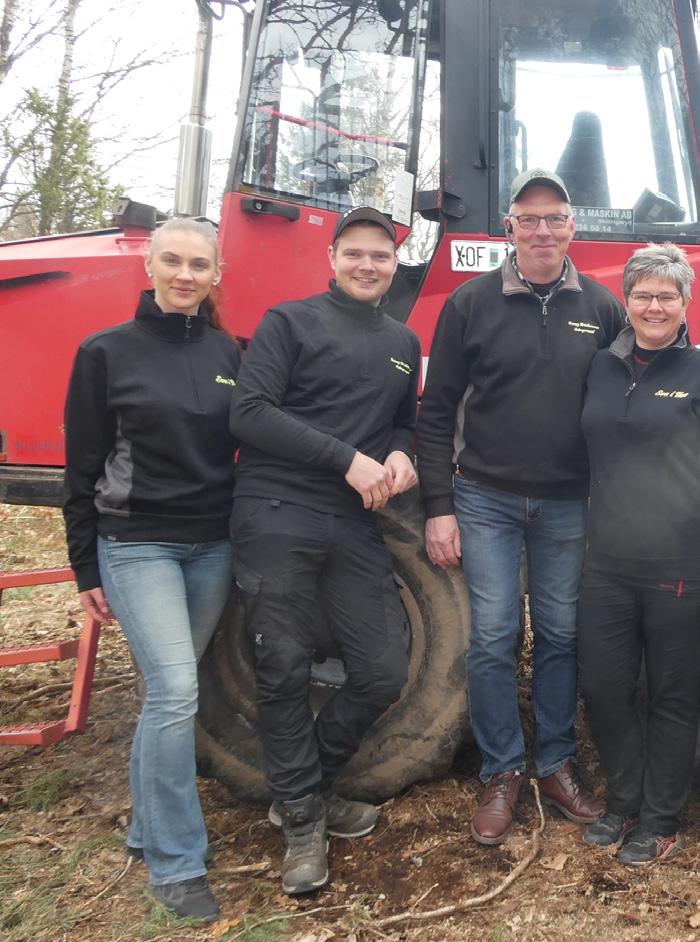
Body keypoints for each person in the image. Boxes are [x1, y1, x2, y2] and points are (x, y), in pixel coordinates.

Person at [417, 169, 625, 845]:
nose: (542, 230)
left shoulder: (603, 307)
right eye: (528, 219)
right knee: (494, 636)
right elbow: (436, 410)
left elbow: (626, 405)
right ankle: (502, 769)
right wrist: (439, 506)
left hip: (568, 504)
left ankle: (556, 763)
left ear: (572, 227)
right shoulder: (469, 303)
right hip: (485, 499)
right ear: (508, 227)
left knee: (562, 635)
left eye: (555, 217)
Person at [228, 206, 420, 895]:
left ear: (394, 264)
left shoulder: (403, 341)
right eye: (355, 253)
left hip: (352, 519)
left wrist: (400, 452)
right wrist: (347, 459)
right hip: (277, 509)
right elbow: (249, 412)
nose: (368, 265)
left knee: (382, 668)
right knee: (281, 666)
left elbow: (403, 420)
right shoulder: (290, 322)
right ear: (332, 259)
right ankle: (305, 823)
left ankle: (304, 786)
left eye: (381, 255)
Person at [63, 217, 239, 922]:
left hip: (213, 544)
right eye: (172, 260)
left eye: (199, 264)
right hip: (137, 543)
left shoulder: (229, 351)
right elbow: (82, 468)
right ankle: (176, 861)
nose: (185, 275)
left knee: (170, 690)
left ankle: (145, 827)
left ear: (217, 273)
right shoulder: (105, 352)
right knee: (174, 691)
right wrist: (85, 567)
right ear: (150, 265)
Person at [578, 243, 699, 866]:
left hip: (679, 568)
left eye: (667, 296)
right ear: (625, 301)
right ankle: (623, 802)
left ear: (685, 303)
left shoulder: (697, 371)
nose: (654, 306)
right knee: (604, 688)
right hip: (605, 563)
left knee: (672, 697)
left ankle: (660, 819)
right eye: (643, 295)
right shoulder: (601, 366)